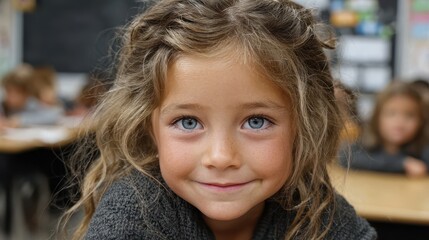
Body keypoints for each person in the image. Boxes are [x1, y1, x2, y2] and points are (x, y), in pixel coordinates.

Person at [60, 1, 377, 239]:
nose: (221, 157)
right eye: (188, 122)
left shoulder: (316, 211)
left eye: (256, 121)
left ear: (303, 126)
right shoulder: (134, 210)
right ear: (149, 127)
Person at [340, 81, 429, 177]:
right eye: (391, 113)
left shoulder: (422, 149)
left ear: (421, 121)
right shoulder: (367, 143)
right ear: (377, 117)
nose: (399, 122)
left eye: (409, 115)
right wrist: (401, 164)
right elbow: (346, 158)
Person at [0, 64, 63, 128]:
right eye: (7, 91)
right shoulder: (4, 105)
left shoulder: (31, 104)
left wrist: (21, 120)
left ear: (27, 93)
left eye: (14, 93)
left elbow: (54, 115)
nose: (9, 96)